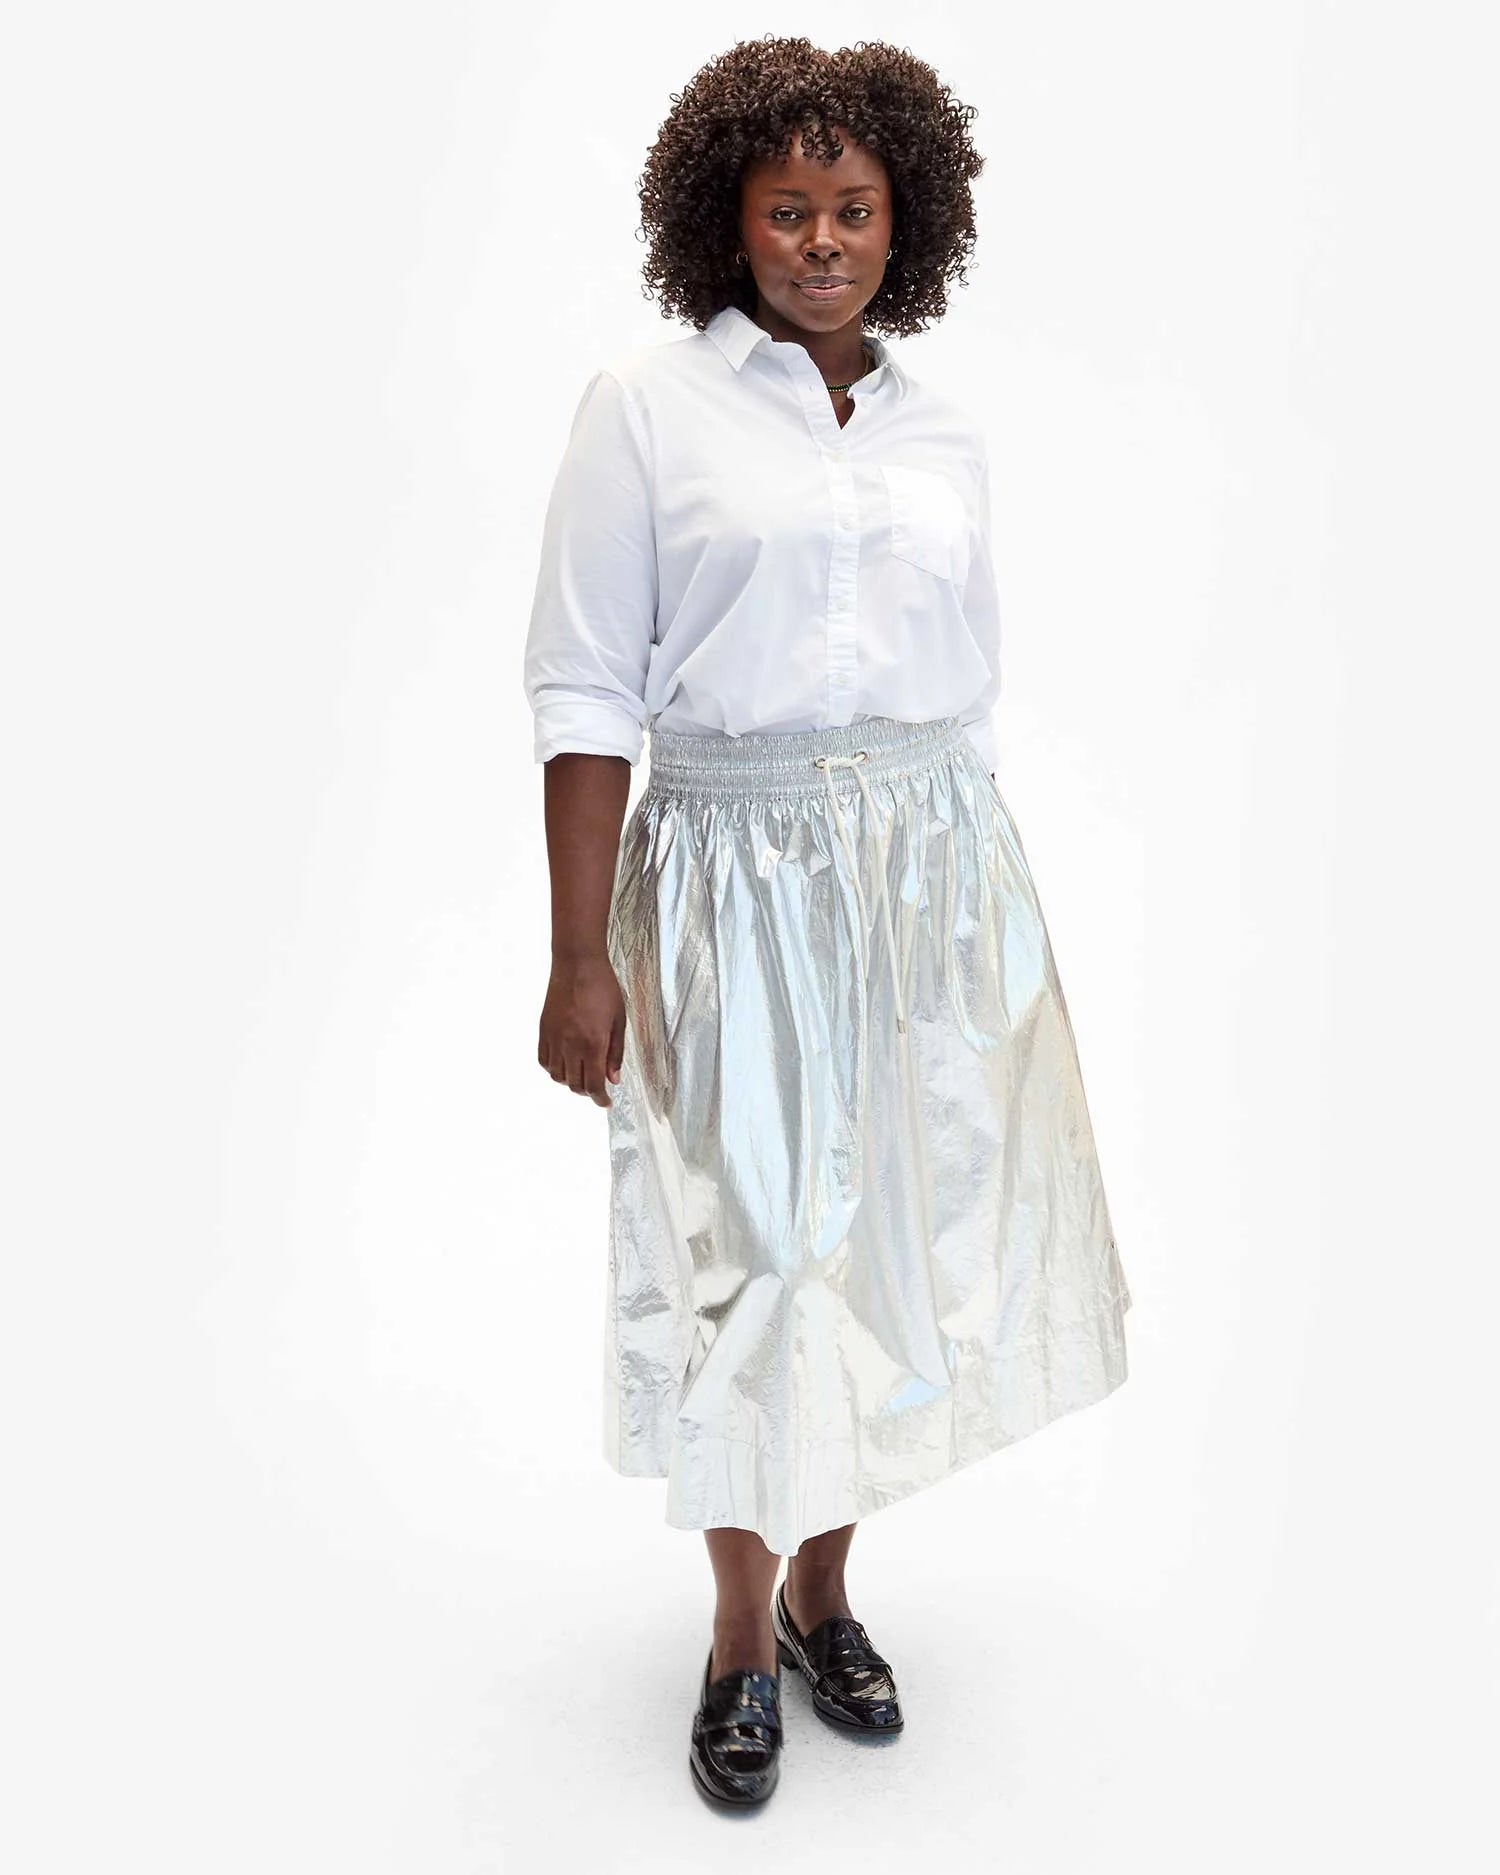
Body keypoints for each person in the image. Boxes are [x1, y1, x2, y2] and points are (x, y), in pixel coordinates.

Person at [521, 35, 1133, 1808]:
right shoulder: (647, 409)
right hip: (731, 876)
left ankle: (825, 1590)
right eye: (786, 208)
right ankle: (732, 1628)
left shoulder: (945, 424)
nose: (819, 239)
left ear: (905, 221)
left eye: (852, 208)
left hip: (928, 876)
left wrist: (978, 926)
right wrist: (582, 953)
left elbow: (970, 675)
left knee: (879, 1262)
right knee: (753, 1259)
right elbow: (581, 687)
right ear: (727, 219)